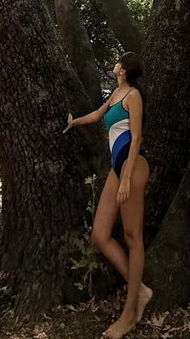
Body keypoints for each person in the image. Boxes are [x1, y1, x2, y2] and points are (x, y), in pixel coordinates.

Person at [64, 52, 152, 337]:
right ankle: (140, 291)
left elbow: (136, 137)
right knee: (100, 235)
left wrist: (126, 178)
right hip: (118, 168)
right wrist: (74, 122)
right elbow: (98, 115)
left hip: (132, 166)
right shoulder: (116, 93)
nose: (114, 63)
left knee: (132, 238)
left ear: (124, 69)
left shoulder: (134, 96)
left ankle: (129, 313)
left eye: (118, 61)